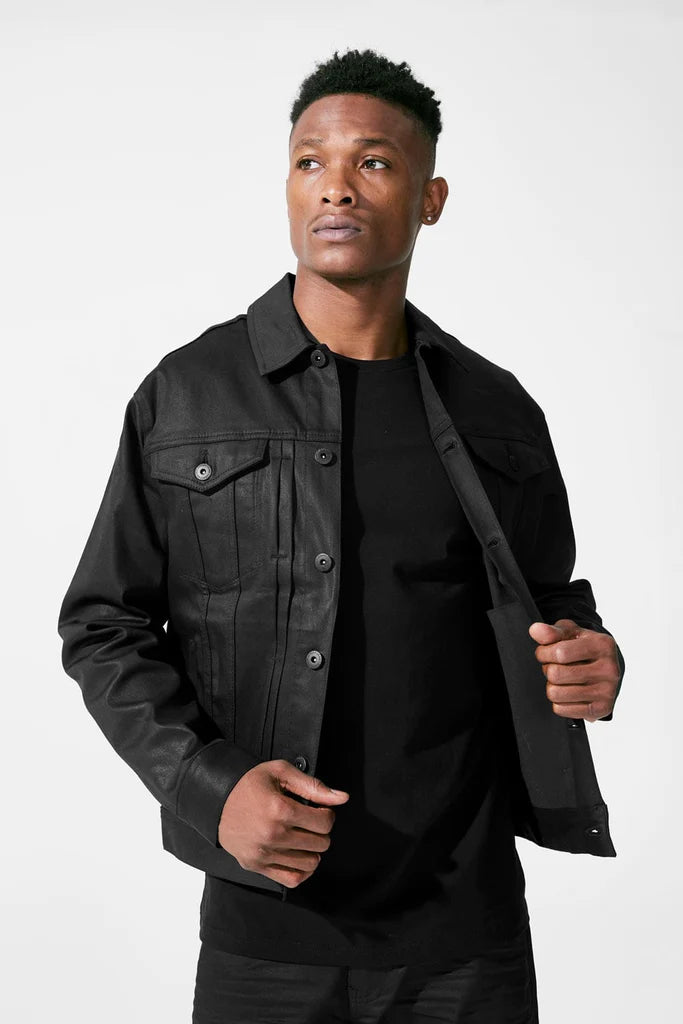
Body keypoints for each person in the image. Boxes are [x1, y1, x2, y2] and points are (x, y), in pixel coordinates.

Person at [57, 47, 625, 1023]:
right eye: (310, 161)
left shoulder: (496, 411)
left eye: (373, 162)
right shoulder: (188, 395)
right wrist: (209, 786)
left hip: (467, 939)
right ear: (287, 187)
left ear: (429, 198)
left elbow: (547, 598)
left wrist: (589, 653)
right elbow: (102, 625)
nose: (336, 187)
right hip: (267, 937)